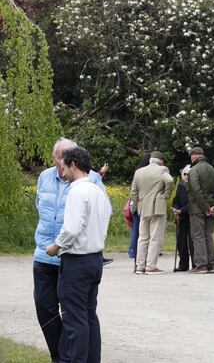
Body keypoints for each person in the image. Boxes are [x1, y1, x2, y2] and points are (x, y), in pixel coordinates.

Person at [33, 138, 106, 363]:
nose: (62, 173)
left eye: (64, 167)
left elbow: (72, 228)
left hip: (76, 260)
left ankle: (72, 359)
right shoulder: (96, 191)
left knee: (74, 318)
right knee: (87, 315)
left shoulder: (77, 191)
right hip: (93, 258)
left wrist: (57, 246)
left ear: (73, 165)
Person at [130, 151, 174, 275]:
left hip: (143, 207)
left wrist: (138, 202)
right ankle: (150, 266)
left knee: (142, 238)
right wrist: (166, 195)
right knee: (155, 238)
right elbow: (170, 181)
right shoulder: (162, 170)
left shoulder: (139, 172)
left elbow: (133, 192)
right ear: (161, 162)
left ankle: (140, 266)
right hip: (157, 208)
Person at [187, 146, 214, 274]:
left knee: (198, 236)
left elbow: (196, 191)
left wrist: (205, 208)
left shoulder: (194, 170)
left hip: (198, 209)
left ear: (194, 156)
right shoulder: (212, 169)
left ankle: (201, 265)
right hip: (211, 209)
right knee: (208, 236)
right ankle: (212, 265)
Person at [127, 153, 150, 261]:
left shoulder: (137, 172)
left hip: (135, 203)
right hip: (142, 204)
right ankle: (138, 251)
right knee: (142, 229)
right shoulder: (147, 174)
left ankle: (133, 251)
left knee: (135, 228)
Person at [172, 165, 195, 272]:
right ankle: (183, 264)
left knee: (192, 241)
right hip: (181, 217)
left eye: (188, 174)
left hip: (191, 216)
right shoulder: (180, 185)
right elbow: (176, 199)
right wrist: (176, 209)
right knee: (181, 241)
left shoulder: (195, 186)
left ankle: (196, 264)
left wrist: (181, 210)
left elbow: (193, 203)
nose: (186, 176)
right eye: (184, 174)